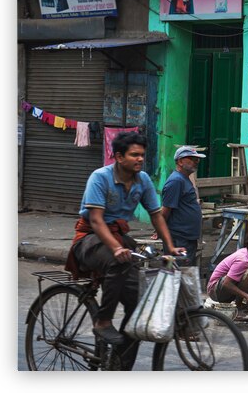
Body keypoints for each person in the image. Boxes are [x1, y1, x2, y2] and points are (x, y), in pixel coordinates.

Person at [64, 132, 185, 369]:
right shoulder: (100, 177)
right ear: (119, 157)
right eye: (134, 155)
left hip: (118, 238)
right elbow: (97, 220)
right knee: (117, 261)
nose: (140, 159)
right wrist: (117, 248)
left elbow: (156, 215)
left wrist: (170, 246)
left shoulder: (143, 181)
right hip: (89, 238)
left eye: (142, 155)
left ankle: (119, 367)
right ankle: (103, 321)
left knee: (138, 304)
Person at [160, 145, 206, 266]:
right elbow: (166, 209)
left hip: (186, 237)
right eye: (191, 159)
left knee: (181, 273)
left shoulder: (184, 179)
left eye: (197, 159)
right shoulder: (176, 181)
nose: (196, 162)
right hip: (179, 238)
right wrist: (159, 229)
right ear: (180, 161)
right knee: (176, 273)